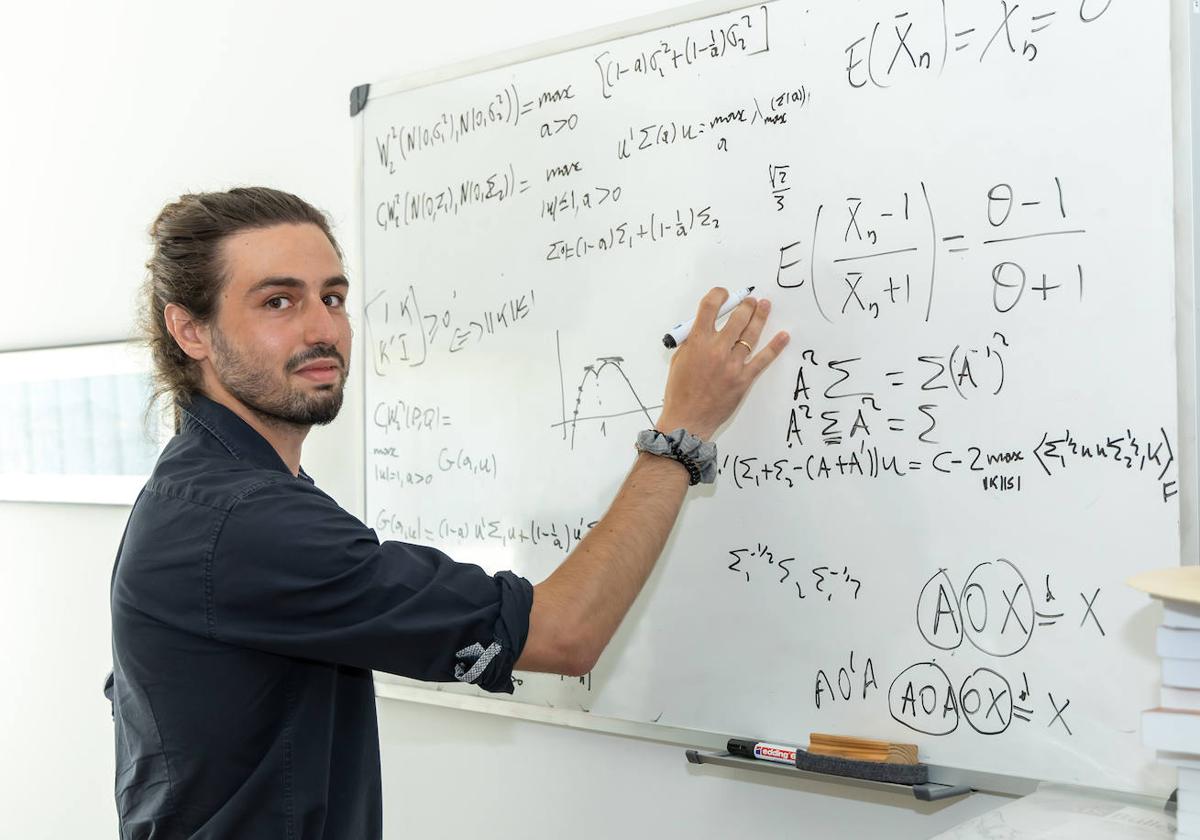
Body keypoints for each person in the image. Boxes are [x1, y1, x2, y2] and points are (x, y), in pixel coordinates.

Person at [107, 187, 788, 839]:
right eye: (278, 301)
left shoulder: (209, 491)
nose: (323, 328)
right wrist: (679, 434)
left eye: (334, 297)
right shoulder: (242, 519)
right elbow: (565, 634)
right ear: (190, 330)